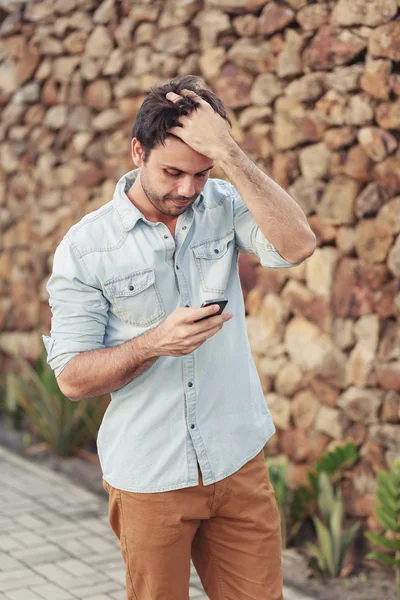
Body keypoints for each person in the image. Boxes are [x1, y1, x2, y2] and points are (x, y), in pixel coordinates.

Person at [43, 75, 316, 600]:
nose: (187, 190)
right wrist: (153, 343)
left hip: (237, 460)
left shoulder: (223, 202)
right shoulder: (86, 247)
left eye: (201, 172)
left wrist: (229, 154)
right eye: (171, 172)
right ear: (137, 151)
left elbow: (298, 245)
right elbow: (73, 378)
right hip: (149, 475)